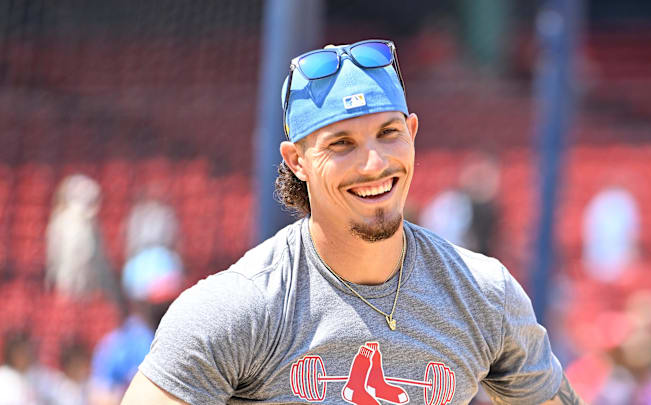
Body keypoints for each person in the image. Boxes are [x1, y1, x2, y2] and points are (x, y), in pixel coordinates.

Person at [122, 39, 583, 404]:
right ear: (296, 160)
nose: (373, 164)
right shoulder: (237, 308)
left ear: (413, 134)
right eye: (341, 144)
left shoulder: (484, 295)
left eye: (389, 133)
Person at [91, 246, 184, 405]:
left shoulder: (189, 338)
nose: (164, 309)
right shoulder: (118, 347)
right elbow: (100, 397)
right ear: (137, 301)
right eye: (156, 303)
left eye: (169, 300)